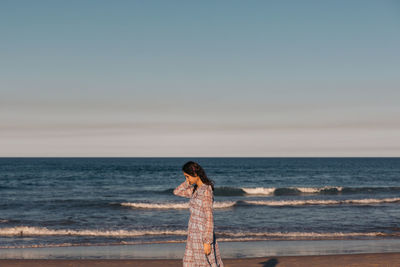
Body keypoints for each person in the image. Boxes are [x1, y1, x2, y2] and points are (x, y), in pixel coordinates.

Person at [173, 161, 224, 267]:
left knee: (204, 263)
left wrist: (207, 242)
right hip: (192, 234)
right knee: (189, 263)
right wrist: (188, 182)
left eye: (187, 176)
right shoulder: (195, 190)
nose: (186, 179)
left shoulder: (206, 191)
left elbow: (209, 217)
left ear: (195, 174)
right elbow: (177, 191)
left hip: (202, 235)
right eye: (185, 177)